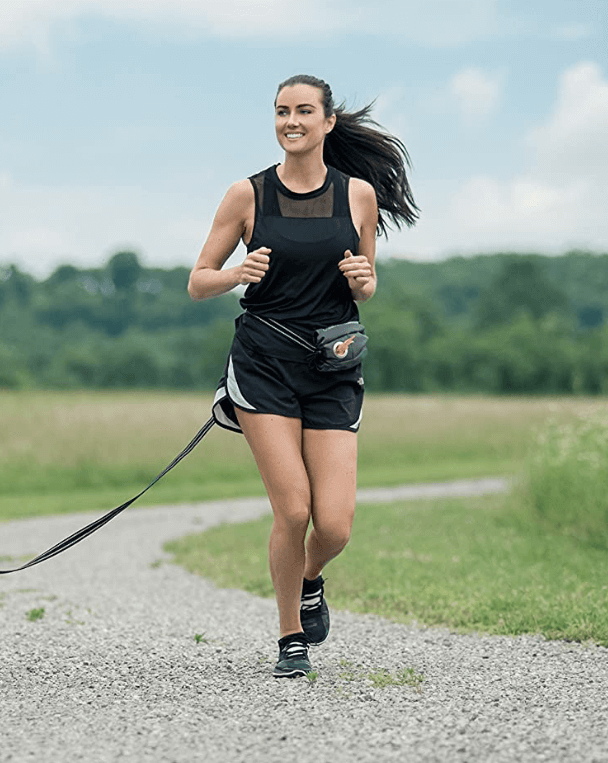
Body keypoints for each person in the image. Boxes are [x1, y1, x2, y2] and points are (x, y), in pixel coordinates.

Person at [187, 74, 418, 678]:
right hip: (264, 363)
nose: (291, 121)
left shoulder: (358, 196)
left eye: (304, 111)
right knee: (293, 510)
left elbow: (364, 281)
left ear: (327, 122)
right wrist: (238, 274)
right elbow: (197, 281)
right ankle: (291, 637)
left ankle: (311, 577)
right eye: (282, 111)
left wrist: (365, 282)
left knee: (335, 525)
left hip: (332, 367)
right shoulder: (248, 195)